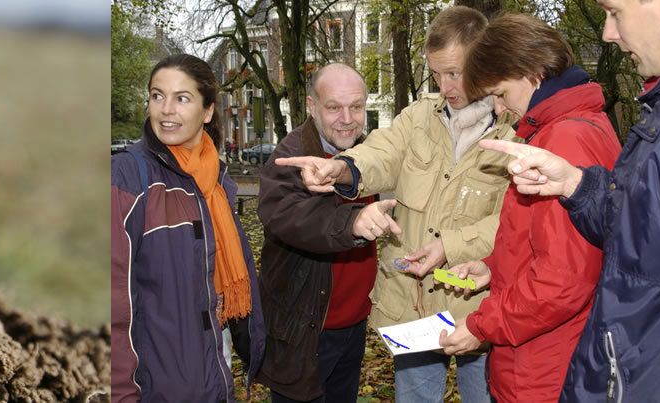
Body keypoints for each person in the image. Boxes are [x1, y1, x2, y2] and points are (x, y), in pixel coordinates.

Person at [274, 6, 519, 402]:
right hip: (414, 306)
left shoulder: (517, 131)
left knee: (486, 396)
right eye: (436, 73)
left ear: (485, 60)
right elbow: (382, 152)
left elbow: (516, 220)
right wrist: (343, 169)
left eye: (454, 72)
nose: (444, 85)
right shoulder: (419, 117)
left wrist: (451, 247)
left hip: (481, 306)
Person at [478, 0, 660, 401]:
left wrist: (481, 325)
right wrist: (576, 185)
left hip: (552, 366)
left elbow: (565, 277)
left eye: (615, 12)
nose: (608, 33)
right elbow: (643, 230)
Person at [421, 14, 622, 402]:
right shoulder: (575, 126)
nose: (497, 109)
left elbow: (562, 281)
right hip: (545, 355)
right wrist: (493, 268)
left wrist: (481, 325)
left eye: (500, 93)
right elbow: (555, 246)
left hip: (543, 368)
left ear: (532, 73)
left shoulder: (563, 140)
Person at [110, 53, 265, 402]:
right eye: (157, 95)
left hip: (215, 370)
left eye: (182, 98)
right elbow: (112, 306)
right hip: (160, 386)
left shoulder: (218, 181)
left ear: (208, 111)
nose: (166, 109)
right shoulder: (127, 178)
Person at [255, 63, 397, 403]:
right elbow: (292, 217)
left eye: (356, 107)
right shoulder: (290, 158)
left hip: (353, 325)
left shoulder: (368, 156)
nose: (347, 118)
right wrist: (352, 222)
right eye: (334, 107)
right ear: (311, 106)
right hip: (303, 329)